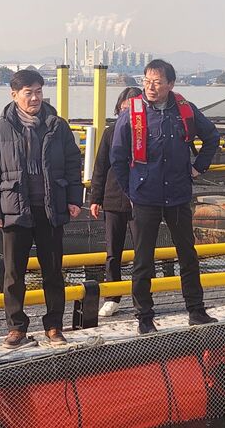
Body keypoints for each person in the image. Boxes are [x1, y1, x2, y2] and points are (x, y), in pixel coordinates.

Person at [110, 59, 220, 334]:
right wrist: (131, 190)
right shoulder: (132, 113)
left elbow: (212, 137)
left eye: (157, 82)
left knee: (188, 254)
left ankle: (196, 310)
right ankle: (144, 317)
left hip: (178, 194)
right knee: (143, 259)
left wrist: (198, 168)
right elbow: (117, 157)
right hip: (145, 196)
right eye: (147, 81)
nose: (150, 87)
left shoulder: (185, 110)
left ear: (170, 84)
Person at [0, 69, 83, 349]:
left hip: (50, 208)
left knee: (53, 271)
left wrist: (74, 198)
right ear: (14, 95)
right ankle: (16, 328)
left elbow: (73, 163)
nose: (35, 98)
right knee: (13, 274)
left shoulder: (57, 126)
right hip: (14, 208)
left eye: (39, 91)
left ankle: (54, 326)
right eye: (29, 93)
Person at [90, 87, 142, 317]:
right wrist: (96, 198)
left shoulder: (147, 131)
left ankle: (142, 296)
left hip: (141, 200)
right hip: (113, 199)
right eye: (124, 108)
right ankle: (112, 297)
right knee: (113, 252)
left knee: (142, 251)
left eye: (132, 108)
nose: (127, 112)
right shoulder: (111, 132)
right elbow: (100, 166)